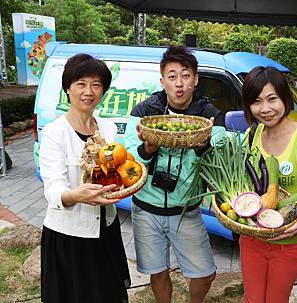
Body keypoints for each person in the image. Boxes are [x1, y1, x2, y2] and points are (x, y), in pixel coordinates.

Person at [123, 45, 225, 303]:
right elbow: (126, 159)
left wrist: (205, 147)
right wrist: (146, 148)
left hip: (186, 211)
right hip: (146, 208)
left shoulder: (209, 117)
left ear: (196, 79)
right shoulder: (146, 111)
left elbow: (220, 162)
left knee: (205, 273)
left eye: (185, 75)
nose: (179, 83)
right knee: (158, 271)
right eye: (172, 76)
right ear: (162, 80)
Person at [39, 54, 130, 303]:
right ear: (67, 88)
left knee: (108, 295)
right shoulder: (54, 132)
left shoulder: (108, 129)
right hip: (69, 236)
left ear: (103, 90)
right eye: (81, 83)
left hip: (106, 230)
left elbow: (117, 171)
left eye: (96, 84)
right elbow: (53, 187)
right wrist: (73, 196)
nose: (88, 91)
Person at [240, 66, 297, 303]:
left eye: (272, 99)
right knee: (253, 300)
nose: (265, 109)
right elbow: (247, 185)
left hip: (289, 242)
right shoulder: (252, 135)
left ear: (285, 98)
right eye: (256, 101)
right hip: (252, 238)